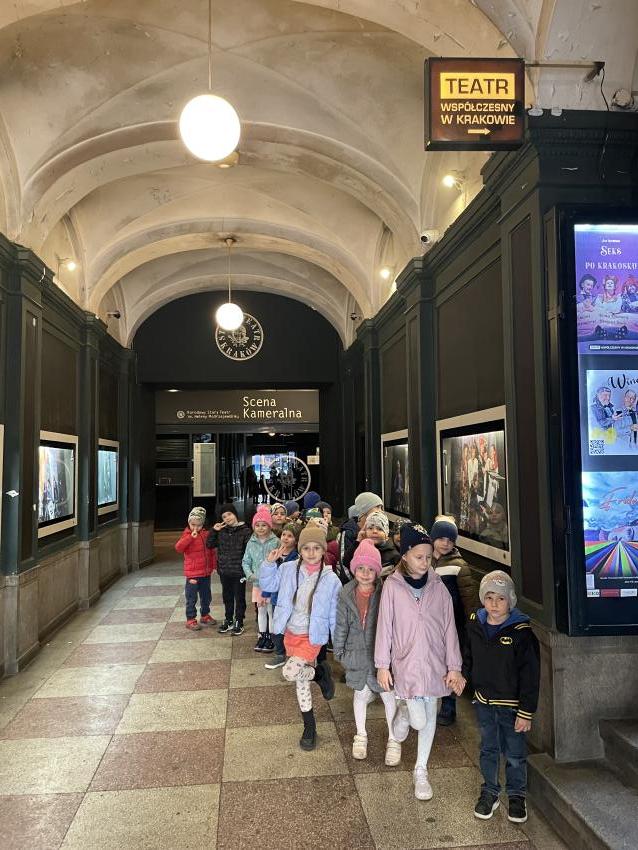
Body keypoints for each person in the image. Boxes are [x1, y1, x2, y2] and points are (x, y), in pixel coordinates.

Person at [375, 523, 465, 801]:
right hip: (405, 664)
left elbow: (449, 629)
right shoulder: (392, 587)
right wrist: (382, 664)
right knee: (417, 719)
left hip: (434, 664)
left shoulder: (439, 587)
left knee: (429, 717)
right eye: (419, 557)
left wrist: (454, 667)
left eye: (428, 557)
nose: (425, 562)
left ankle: (421, 769)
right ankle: (403, 714)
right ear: (405, 555)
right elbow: (384, 628)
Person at [463, 571, 540, 825]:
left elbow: (531, 676)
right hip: (484, 702)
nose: (494, 604)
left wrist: (526, 712)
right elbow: (468, 657)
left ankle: (516, 795)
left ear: (511, 601)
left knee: (515, 752)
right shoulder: (476, 625)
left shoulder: (522, 633)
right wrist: (463, 678)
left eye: (501, 599)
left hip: (512, 707)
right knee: (488, 749)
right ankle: (490, 791)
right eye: (489, 597)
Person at [260, 526, 341, 750]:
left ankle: (319, 674)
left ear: (323, 550)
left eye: (316, 548)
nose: (311, 553)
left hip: (312, 636)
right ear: (300, 549)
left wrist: (338, 642)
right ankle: (310, 727)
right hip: (290, 632)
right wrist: (269, 564)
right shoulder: (287, 568)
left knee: (290, 672)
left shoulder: (331, 579)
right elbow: (268, 585)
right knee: (301, 681)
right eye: (306, 548)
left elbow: (334, 614)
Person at [333, 539, 402, 765]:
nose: (365, 573)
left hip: (381, 656)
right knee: (360, 695)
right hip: (356, 654)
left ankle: (394, 739)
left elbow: (393, 625)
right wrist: (339, 651)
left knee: (388, 695)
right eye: (360, 568)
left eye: (370, 569)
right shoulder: (346, 593)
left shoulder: (384, 592)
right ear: (354, 569)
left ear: (377, 571)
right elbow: (341, 624)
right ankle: (360, 735)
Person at [430, 516, 480, 726]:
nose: (445, 543)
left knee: (450, 663)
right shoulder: (423, 559)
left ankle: (448, 706)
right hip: (428, 625)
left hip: (452, 625)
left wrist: (471, 621)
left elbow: (469, 599)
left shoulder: (459, 566)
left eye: (450, 540)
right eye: (441, 538)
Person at [207, 503, 252, 635]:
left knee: (239, 597)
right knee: (227, 596)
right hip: (224, 570)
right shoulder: (221, 531)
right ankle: (228, 619)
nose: (227, 518)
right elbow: (209, 544)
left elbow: (249, 551)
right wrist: (214, 530)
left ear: (235, 514)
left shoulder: (245, 530)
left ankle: (239, 621)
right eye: (224, 517)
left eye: (229, 514)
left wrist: (248, 569)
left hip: (239, 571)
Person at [262, 522, 300, 670]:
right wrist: (265, 593)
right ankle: (279, 653)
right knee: (277, 626)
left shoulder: (298, 556)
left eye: (290, 536)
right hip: (276, 598)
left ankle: (293, 653)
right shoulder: (275, 553)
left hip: (292, 598)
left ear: (296, 540)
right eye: (284, 534)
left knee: (292, 626)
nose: (285, 538)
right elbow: (270, 576)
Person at [242, 506, 279, 651]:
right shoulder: (251, 543)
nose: (261, 528)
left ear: (269, 526)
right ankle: (262, 635)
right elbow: (245, 561)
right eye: (257, 525)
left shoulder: (275, 542)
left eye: (264, 525)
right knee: (261, 609)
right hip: (257, 584)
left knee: (271, 610)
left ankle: (271, 637)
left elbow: (279, 561)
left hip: (271, 584)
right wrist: (250, 575)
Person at [175, 506, 217, 631]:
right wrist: (190, 537)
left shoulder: (206, 534)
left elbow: (211, 552)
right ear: (189, 523)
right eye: (193, 524)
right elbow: (178, 548)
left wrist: (214, 566)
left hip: (205, 573)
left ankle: (205, 615)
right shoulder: (186, 535)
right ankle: (191, 619)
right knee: (191, 598)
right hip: (193, 574)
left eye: (199, 525)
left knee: (206, 596)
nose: (195, 528)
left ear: (203, 524)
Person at [343, 510, 399, 579]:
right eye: (370, 528)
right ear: (365, 531)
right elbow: (346, 562)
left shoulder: (394, 555)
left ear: (386, 534)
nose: (374, 531)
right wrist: (358, 541)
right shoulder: (360, 548)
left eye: (380, 529)